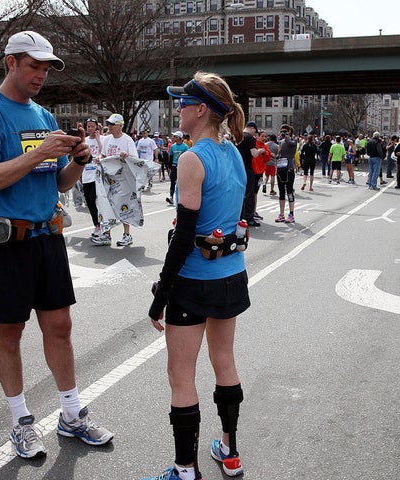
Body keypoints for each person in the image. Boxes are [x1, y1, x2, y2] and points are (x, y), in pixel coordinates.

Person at [0, 30, 112, 459]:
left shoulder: (44, 116)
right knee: (9, 331)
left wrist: (78, 162)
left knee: (60, 326)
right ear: (10, 63)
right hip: (4, 240)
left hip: (47, 235)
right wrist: (38, 152)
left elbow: (58, 181)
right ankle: (21, 421)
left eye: (46, 68)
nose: (41, 75)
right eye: (34, 66)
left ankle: (71, 414)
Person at [144, 71, 250, 480]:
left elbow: (185, 235)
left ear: (201, 109)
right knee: (224, 360)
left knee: (180, 374)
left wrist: (160, 295)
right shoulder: (234, 154)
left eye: (183, 104)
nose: (179, 110)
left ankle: (184, 469)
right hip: (231, 275)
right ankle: (230, 451)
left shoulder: (192, 157)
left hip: (194, 281)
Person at [96, 113, 139, 246]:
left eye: (112, 124)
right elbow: (104, 154)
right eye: (108, 124)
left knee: (124, 206)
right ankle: (106, 234)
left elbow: (135, 158)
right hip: (109, 178)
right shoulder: (107, 139)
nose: (109, 126)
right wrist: (99, 157)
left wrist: (126, 155)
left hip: (123, 180)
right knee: (105, 205)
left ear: (120, 125)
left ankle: (127, 235)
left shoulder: (127, 140)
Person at [238, 120, 263, 227]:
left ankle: (240, 216)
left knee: (240, 193)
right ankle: (248, 217)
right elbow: (255, 154)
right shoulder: (250, 138)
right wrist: (260, 150)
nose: (255, 133)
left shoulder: (238, 137)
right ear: (252, 128)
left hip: (237, 168)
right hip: (247, 168)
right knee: (249, 193)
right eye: (255, 131)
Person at [82, 118, 103, 239]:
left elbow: (103, 151)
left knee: (95, 199)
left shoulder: (102, 139)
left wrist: (99, 139)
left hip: (97, 175)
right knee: (89, 202)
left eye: (92, 126)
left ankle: (100, 225)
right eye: (88, 126)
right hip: (86, 175)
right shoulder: (84, 141)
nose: (90, 128)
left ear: (96, 127)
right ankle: (96, 224)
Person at [275, 124, 297, 223]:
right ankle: (281, 213)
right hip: (280, 168)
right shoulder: (280, 142)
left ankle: (291, 213)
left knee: (289, 191)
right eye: (281, 131)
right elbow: (278, 154)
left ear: (289, 132)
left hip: (289, 169)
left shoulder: (293, 140)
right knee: (281, 192)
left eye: (285, 131)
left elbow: (292, 144)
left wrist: (287, 137)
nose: (283, 133)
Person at [166, 131, 189, 205]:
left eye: (175, 136)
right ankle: (171, 197)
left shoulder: (185, 147)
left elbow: (187, 158)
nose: (173, 138)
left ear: (179, 137)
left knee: (181, 183)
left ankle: (182, 198)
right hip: (174, 165)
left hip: (181, 166)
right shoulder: (173, 146)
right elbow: (171, 156)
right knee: (172, 181)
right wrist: (169, 167)